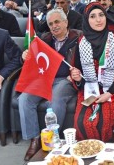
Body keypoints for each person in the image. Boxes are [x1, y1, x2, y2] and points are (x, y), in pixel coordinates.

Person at [19, 9, 81, 161]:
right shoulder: (44, 39)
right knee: (24, 99)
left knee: (55, 99)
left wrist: (76, 73)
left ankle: (52, 140)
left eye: (57, 22)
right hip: (44, 79)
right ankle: (34, 139)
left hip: (65, 80)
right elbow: (32, 61)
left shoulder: (78, 38)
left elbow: (85, 62)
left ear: (66, 22)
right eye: (50, 23)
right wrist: (24, 57)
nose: (54, 26)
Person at [70, 2, 114, 141]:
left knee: (104, 124)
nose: (98, 20)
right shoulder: (81, 41)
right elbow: (77, 70)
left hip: (113, 90)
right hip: (89, 90)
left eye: (101, 15)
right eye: (93, 16)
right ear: (86, 20)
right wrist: (77, 79)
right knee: (83, 123)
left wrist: (110, 93)